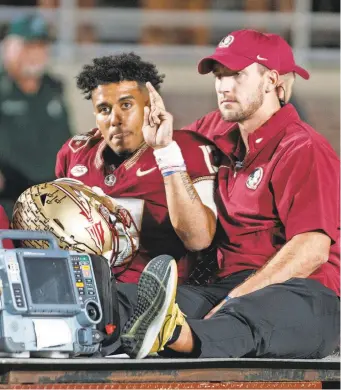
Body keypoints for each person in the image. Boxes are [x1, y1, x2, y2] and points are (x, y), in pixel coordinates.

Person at [119, 29, 340, 359]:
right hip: (224, 284)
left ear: (271, 81)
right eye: (219, 76)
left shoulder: (303, 148)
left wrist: (237, 298)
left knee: (249, 319)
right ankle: (96, 327)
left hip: (306, 292)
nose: (224, 85)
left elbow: (310, 250)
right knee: (126, 299)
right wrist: (158, 144)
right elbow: (153, 169)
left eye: (237, 75)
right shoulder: (215, 130)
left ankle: (175, 334)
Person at [55, 52, 219, 284]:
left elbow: (199, 239)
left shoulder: (188, 148)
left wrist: (165, 152)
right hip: (85, 287)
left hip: (156, 293)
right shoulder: (75, 152)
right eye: (104, 109)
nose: (115, 119)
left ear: (150, 106)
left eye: (126, 105)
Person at [0, 14, 72, 215]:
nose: (36, 54)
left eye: (41, 47)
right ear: (8, 47)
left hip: (53, 198)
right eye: (28, 46)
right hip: (8, 199)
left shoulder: (55, 88)